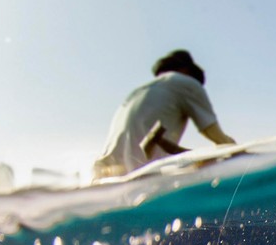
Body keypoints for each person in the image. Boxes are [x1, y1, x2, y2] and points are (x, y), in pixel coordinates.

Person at [92, 50, 235, 180]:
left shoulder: (137, 92)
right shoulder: (185, 82)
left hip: (102, 176)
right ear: (186, 70)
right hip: (139, 176)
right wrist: (236, 151)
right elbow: (216, 136)